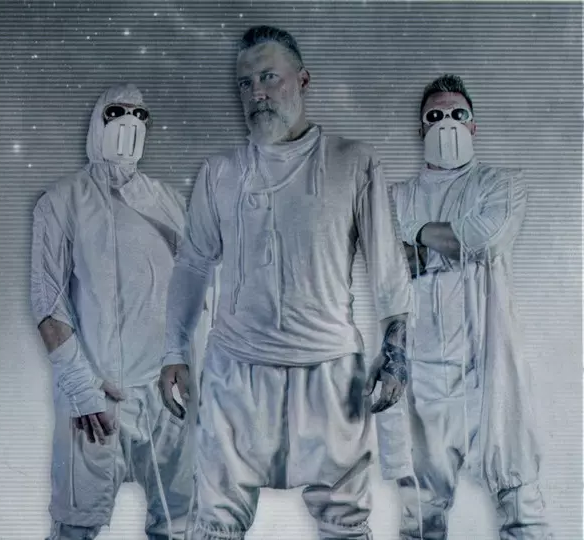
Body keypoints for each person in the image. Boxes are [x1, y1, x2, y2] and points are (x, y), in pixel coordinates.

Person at [159, 25, 413, 540]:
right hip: (236, 373)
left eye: (269, 77)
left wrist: (396, 354)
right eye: (245, 83)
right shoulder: (220, 172)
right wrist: (173, 351)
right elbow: (192, 265)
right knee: (215, 524)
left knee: (345, 524)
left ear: (303, 80)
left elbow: (388, 267)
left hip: (329, 372)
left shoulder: (353, 162)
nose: (257, 93)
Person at [30, 83, 214, 540]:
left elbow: (199, 288)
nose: (129, 122)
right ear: (98, 121)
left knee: (179, 521)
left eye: (139, 114)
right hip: (97, 396)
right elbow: (48, 303)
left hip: (168, 394)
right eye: (117, 112)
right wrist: (81, 387)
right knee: (76, 523)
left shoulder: (168, 202)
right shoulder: (62, 202)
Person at [382, 74, 552, 539]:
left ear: (474, 125)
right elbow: (388, 269)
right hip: (423, 377)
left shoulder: (502, 185)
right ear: (420, 127)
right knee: (421, 515)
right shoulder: (395, 198)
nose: (447, 123)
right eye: (435, 115)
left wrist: (416, 235)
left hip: (489, 369)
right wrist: (447, 242)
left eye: (459, 114)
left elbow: (485, 238)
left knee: (520, 502)